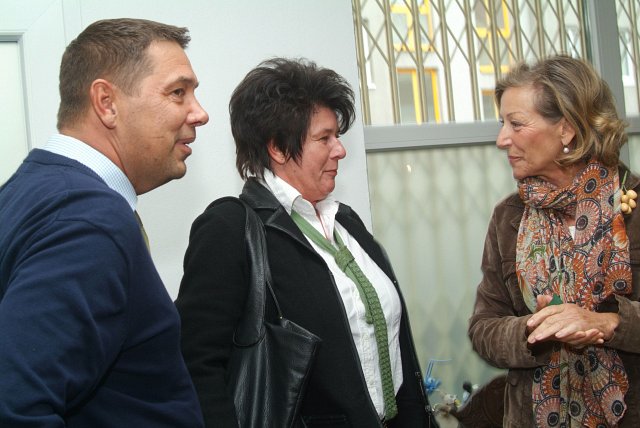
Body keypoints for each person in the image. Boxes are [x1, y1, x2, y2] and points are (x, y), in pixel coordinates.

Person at [175, 57, 437, 428]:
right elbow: (197, 366)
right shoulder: (231, 228)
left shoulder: (345, 221)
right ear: (278, 149)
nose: (340, 150)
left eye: (338, 136)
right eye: (324, 138)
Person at [0, 18, 209, 427]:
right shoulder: (89, 222)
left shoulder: (34, 187)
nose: (199, 114)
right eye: (178, 93)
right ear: (107, 103)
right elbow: (15, 406)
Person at [469, 54, 640, 427]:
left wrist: (607, 322)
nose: (502, 139)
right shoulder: (509, 217)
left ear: (566, 129)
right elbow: (483, 328)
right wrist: (537, 328)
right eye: (503, 123)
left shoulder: (633, 205)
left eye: (516, 123)